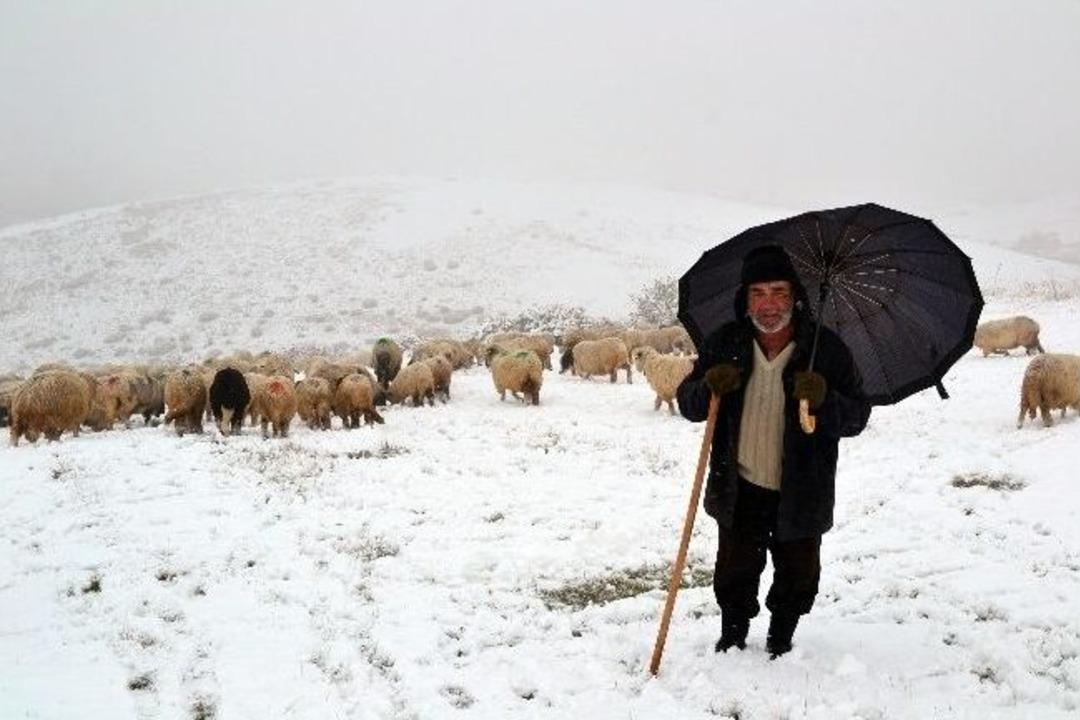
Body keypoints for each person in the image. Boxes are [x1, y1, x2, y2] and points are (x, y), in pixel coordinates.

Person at [676, 244, 871, 658]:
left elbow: (857, 417)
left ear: (795, 296)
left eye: (779, 292)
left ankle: (781, 636)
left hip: (802, 488)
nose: (768, 304)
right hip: (739, 483)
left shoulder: (825, 350)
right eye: (758, 293)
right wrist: (709, 385)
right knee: (734, 570)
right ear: (744, 299)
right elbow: (689, 404)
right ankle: (732, 634)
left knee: (799, 574)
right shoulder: (725, 343)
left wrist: (826, 401)